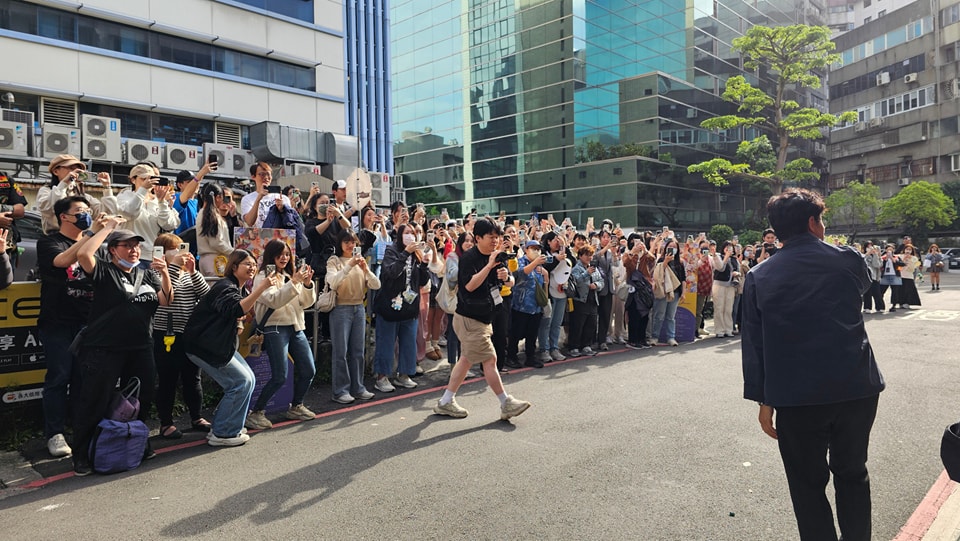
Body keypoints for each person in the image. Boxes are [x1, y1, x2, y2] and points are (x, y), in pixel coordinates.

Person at [742, 189, 884, 541]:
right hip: (855, 386)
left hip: (795, 394)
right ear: (812, 222)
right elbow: (863, 289)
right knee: (853, 473)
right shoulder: (848, 259)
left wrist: (763, 400)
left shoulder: (760, 276)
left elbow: (754, 345)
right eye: (821, 219)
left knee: (807, 485)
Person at [72, 222, 173, 476]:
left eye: (136, 246)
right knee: (95, 399)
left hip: (141, 347)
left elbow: (166, 300)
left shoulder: (147, 273)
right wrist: (107, 229)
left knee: (143, 398)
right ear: (113, 250)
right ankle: (82, 454)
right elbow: (84, 255)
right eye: (126, 246)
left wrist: (165, 273)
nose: (133, 250)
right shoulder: (105, 271)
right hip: (104, 348)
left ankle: (139, 442)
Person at [433, 218, 531, 420]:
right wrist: (488, 266)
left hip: (486, 317)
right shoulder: (469, 258)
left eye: (497, 237)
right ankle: (506, 402)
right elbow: (469, 286)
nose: (495, 241)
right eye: (491, 237)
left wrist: (507, 277)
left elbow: (511, 282)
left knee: (466, 360)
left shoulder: (498, 256)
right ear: (478, 238)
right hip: (469, 318)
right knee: (490, 358)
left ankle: (445, 401)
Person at [183, 250, 278, 447]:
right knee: (240, 382)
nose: (252, 267)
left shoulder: (236, 288)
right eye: (246, 264)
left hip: (217, 345)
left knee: (249, 379)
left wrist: (239, 322)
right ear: (234, 267)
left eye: (253, 264)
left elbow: (232, 313)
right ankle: (224, 433)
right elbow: (236, 309)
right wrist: (260, 289)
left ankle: (225, 425)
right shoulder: (225, 286)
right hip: (205, 346)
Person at [36, 196, 105, 458]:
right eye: (80, 212)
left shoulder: (92, 244)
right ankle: (54, 433)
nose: (86, 215)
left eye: (88, 211)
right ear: (64, 216)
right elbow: (63, 261)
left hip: (87, 322)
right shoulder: (49, 242)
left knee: (82, 379)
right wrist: (92, 233)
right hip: (57, 322)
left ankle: (81, 429)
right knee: (58, 377)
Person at [246, 240, 318, 429]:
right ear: (271, 255)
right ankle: (256, 412)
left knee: (309, 369)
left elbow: (305, 302)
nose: (284, 258)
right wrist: (294, 282)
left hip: (296, 326)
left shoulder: (289, 275)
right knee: (280, 375)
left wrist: (308, 284)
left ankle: (296, 405)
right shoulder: (264, 275)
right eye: (280, 254)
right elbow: (274, 300)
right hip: (275, 327)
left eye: (287, 254)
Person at [151, 233, 211, 439]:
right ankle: (165, 423)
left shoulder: (188, 273)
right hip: (165, 334)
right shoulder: (154, 273)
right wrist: (173, 268)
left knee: (193, 379)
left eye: (180, 248)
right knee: (167, 380)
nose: (178, 253)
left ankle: (196, 416)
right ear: (161, 252)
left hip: (189, 334)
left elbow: (206, 296)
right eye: (173, 249)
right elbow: (167, 295)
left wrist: (193, 271)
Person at [372, 223, 429, 392]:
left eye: (413, 233)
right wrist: (405, 254)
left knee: (408, 342)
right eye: (407, 232)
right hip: (390, 305)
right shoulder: (391, 251)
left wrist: (424, 263)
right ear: (399, 235)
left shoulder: (417, 255)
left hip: (409, 306)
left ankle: (404, 374)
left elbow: (423, 281)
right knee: (386, 342)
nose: (411, 235)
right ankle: (382, 377)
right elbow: (389, 273)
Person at [326, 230, 381, 403]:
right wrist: (349, 265)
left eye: (353, 242)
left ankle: (358, 387)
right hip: (341, 308)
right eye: (346, 242)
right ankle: (340, 391)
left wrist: (365, 269)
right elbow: (333, 282)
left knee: (358, 351)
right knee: (341, 352)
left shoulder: (361, 262)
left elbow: (376, 284)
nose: (351, 245)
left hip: (358, 307)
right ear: (340, 243)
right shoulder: (334, 260)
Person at [36, 154, 117, 234]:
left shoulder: (81, 195)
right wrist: (64, 183)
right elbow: (53, 208)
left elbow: (106, 213)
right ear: (56, 171)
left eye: (79, 170)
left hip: (79, 237)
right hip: (56, 237)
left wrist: (107, 187)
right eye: (71, 168)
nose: (75, 172)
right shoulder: (46, 191)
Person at [116, 163, 181, 259]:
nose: (148, 182)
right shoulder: (124, 196)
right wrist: (142, 190)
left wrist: (162, 202)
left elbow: (168, 225)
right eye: (143, 179)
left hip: (154, 255)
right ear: (133, 180)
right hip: (130, 255)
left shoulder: (157, 200)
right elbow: (130, 214)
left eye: (151, 179)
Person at [507, 240, 549, 369]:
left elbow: (543, 285)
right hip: (521, 305)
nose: (536, 251)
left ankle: (530, 357)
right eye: (533, 248)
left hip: (535, 306)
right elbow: (520, 274)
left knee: (532, 334)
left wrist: (546, 277)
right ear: (526, 249)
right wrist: (535, 263)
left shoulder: (540, 267)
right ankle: (511, 357)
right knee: (516, 333)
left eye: (538, 248)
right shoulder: (521, 261)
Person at [566, 245, 603, 357]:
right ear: (580, 256)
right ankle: (574, 347)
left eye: (591, 255)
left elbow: (601, 281)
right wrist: (587, 273)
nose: (589, 258)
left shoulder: (594, 268)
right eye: (587, 255)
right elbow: (576, 281)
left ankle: (586, 345)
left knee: (590, 324)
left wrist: (596, 285)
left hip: (593, 299)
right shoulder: (576, 268)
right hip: (580, 300)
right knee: (577, 325)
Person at [650, 238, 686, 346]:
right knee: (659, 315)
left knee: (671, 316)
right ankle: (654, 336)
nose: (673, 249)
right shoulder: (661, 260)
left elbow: (683, 279)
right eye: (670, 247)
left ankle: (671, 337)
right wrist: (665, 261)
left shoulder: (680, 262)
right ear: (666, 248)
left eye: (675, 247)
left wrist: (683, 293)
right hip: (663, 291)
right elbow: (658, 274)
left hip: (675, 292)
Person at [197, 183, 234, 277]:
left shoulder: (202, 213)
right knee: (218, 289)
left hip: (205, 259)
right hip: (216, 259)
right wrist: (234, 252)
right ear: (218, 197)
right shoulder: (212, 215)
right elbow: (216, 243)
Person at [241, 162, 289, 228]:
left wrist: (282, 209)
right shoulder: (247, 199)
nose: (266, 177)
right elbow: (250, 222)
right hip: (258, 236)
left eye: (268, 174)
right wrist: (258, 198)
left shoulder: (283, 198)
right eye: (262, 174)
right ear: (253, 177)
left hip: (279, 236)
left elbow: (289, 221)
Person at [172, 162, 214, 234]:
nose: (195, 185)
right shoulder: (175, 197)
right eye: (190, 182)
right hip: (180, 242)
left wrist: (203, 172)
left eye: (195, 182)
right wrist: (200, 174)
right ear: (179, 185)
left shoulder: (198, 202)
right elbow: (187, 195)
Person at [711, 241, 740, 338]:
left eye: (731, 248)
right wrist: (726, 257)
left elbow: (738, 270)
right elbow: (720, 268)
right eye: (727, 247)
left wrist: (737, 274)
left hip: (731, 285)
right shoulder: (718, 256)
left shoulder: (735, 259)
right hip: (719, 285)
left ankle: (728, 329)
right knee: (719, 308)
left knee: (728, 309)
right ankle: (719, 330)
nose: (729, 250)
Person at [878, 244, 904, 312]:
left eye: (891, 249)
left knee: (894, 291)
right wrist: (885, 259)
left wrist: (893, 259)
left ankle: (893, 305)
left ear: (893, 250)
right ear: (886, 250)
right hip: (885, 276)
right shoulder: (883, 257)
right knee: (881, 291)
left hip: (895, 275)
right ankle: (880, 306)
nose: (889, 251)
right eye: (888, 249)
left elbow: (902, 264)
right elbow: (879, 265)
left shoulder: (896, 257)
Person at [861, 242, 884, 313]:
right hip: (865, 276)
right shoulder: (862, 255)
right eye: (868, 247)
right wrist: (867, 254)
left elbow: (877, 265)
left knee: (877, 292)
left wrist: (875, 255)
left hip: (874, 277)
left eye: (871, 246)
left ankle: (880, 307)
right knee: (867, 292)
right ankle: (867, 307)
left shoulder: (877, 256)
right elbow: (862, 261)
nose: (870, 248)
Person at [897, 244, 922, 309]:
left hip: (909, 276)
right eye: (907, 249)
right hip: (900, 275)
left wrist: (910, 260)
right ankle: (901, 303)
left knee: (908, 290)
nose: (908, 251)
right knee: (900, 290)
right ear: (904, 250)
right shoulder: (899, 256)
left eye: (909, 249)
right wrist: (904, 258)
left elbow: (913, 268)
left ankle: (907, 302)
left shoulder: (914, 258)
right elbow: (898, 266)